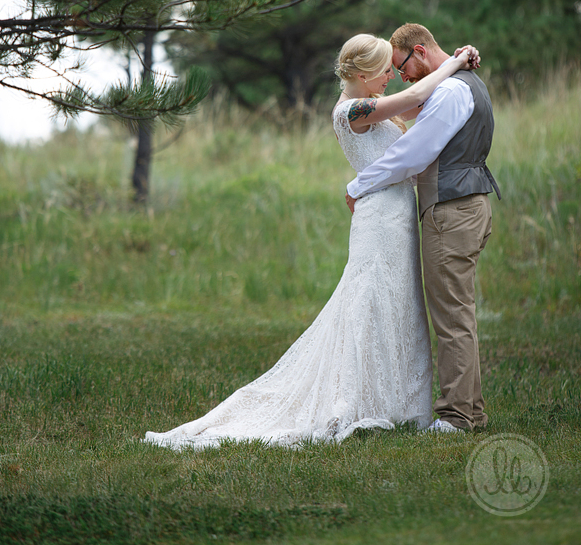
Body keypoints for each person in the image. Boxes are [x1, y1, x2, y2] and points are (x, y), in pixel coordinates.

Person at [143, 34, 478, 450]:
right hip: (378, 221)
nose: (390, 74)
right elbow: (419, 91)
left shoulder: (379, 106)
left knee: (399, 306)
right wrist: (457, 61)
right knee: (368, 302)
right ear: (358, 74)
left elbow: (424, 102)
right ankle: (353, 399)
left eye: (393, 68)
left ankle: (400, 404)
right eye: (382, 69)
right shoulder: (351, 111)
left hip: (400, 216)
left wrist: (452, 66)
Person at [346, 23, 500, 434]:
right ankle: (471, 411)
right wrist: (456, 60)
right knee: (458, 312)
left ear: (418, 50)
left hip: (452, 211)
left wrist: (358, 185)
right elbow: (411, 105)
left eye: (402, 66)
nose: (401, 76)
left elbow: (414, 153)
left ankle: (456, 416)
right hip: (464, 204)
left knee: (451, 316)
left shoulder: (449, 92)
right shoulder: (460, 82)